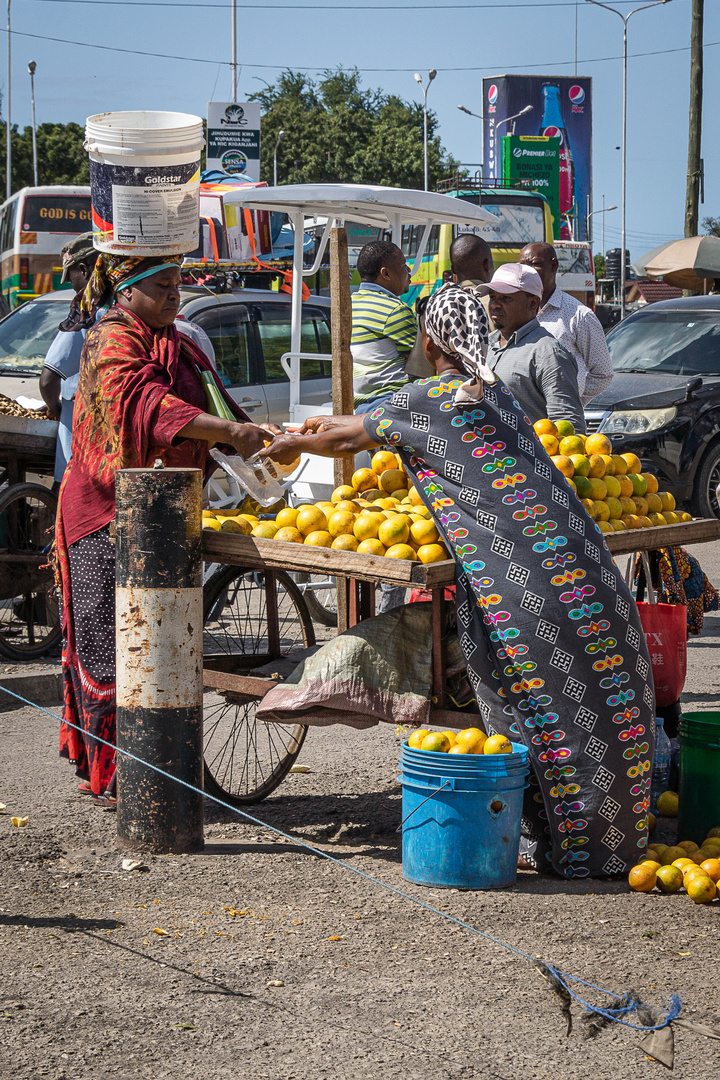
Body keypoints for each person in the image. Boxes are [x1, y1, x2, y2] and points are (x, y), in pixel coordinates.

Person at [261, 283, 655, 879]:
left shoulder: (429, 398)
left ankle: (566, 851)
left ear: (428, 340)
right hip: (583, 567)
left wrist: (290, 441)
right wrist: (326, 421)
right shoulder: (489, 395)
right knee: (595, 708)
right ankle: (610, 847)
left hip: (524, 583)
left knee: (533, 709)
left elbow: (355, 436)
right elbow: (373, 419)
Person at [56, 253, 272, 803]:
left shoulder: (184, 343)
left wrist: (255, 433)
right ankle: (113, 773)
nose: (175, 296)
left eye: (179, 285)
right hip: (104, 510)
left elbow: (214, 400)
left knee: (162, 645)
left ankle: (157, 768)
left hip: (168, 510)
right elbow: (146, 405)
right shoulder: (109, 341)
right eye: (163, 287)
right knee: (111, 644)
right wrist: (225, 429)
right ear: (126, 291)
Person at [481, 263, 585, 432]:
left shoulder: (548, 353)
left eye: (506, 298)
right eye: (493, 297)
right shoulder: (486, 346)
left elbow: (569, 428)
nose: (494, 305)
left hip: (528, 458)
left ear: (532, 303)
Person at [519, 242, 613, 405]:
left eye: (534, 264)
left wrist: (569, 402)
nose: (527, 271)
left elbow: (602, 374)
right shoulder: (515, 311)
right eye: (522, 266)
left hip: (560, 422)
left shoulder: (579, 315)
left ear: (553, 265)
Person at [39, 234, 100, 486]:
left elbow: (48, 379)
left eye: (72, 277)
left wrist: (54, 407)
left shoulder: (87, 312)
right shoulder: (124, 306)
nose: (73, 286)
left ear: (84, 270)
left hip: (81, 440)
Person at [351, 241, 416, 414]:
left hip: (355, 405)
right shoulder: (395, 310)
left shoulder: (348, 305)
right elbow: (424, 364)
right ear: (385, 274)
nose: (409, 272)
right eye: (404, 266)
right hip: (389, 405)